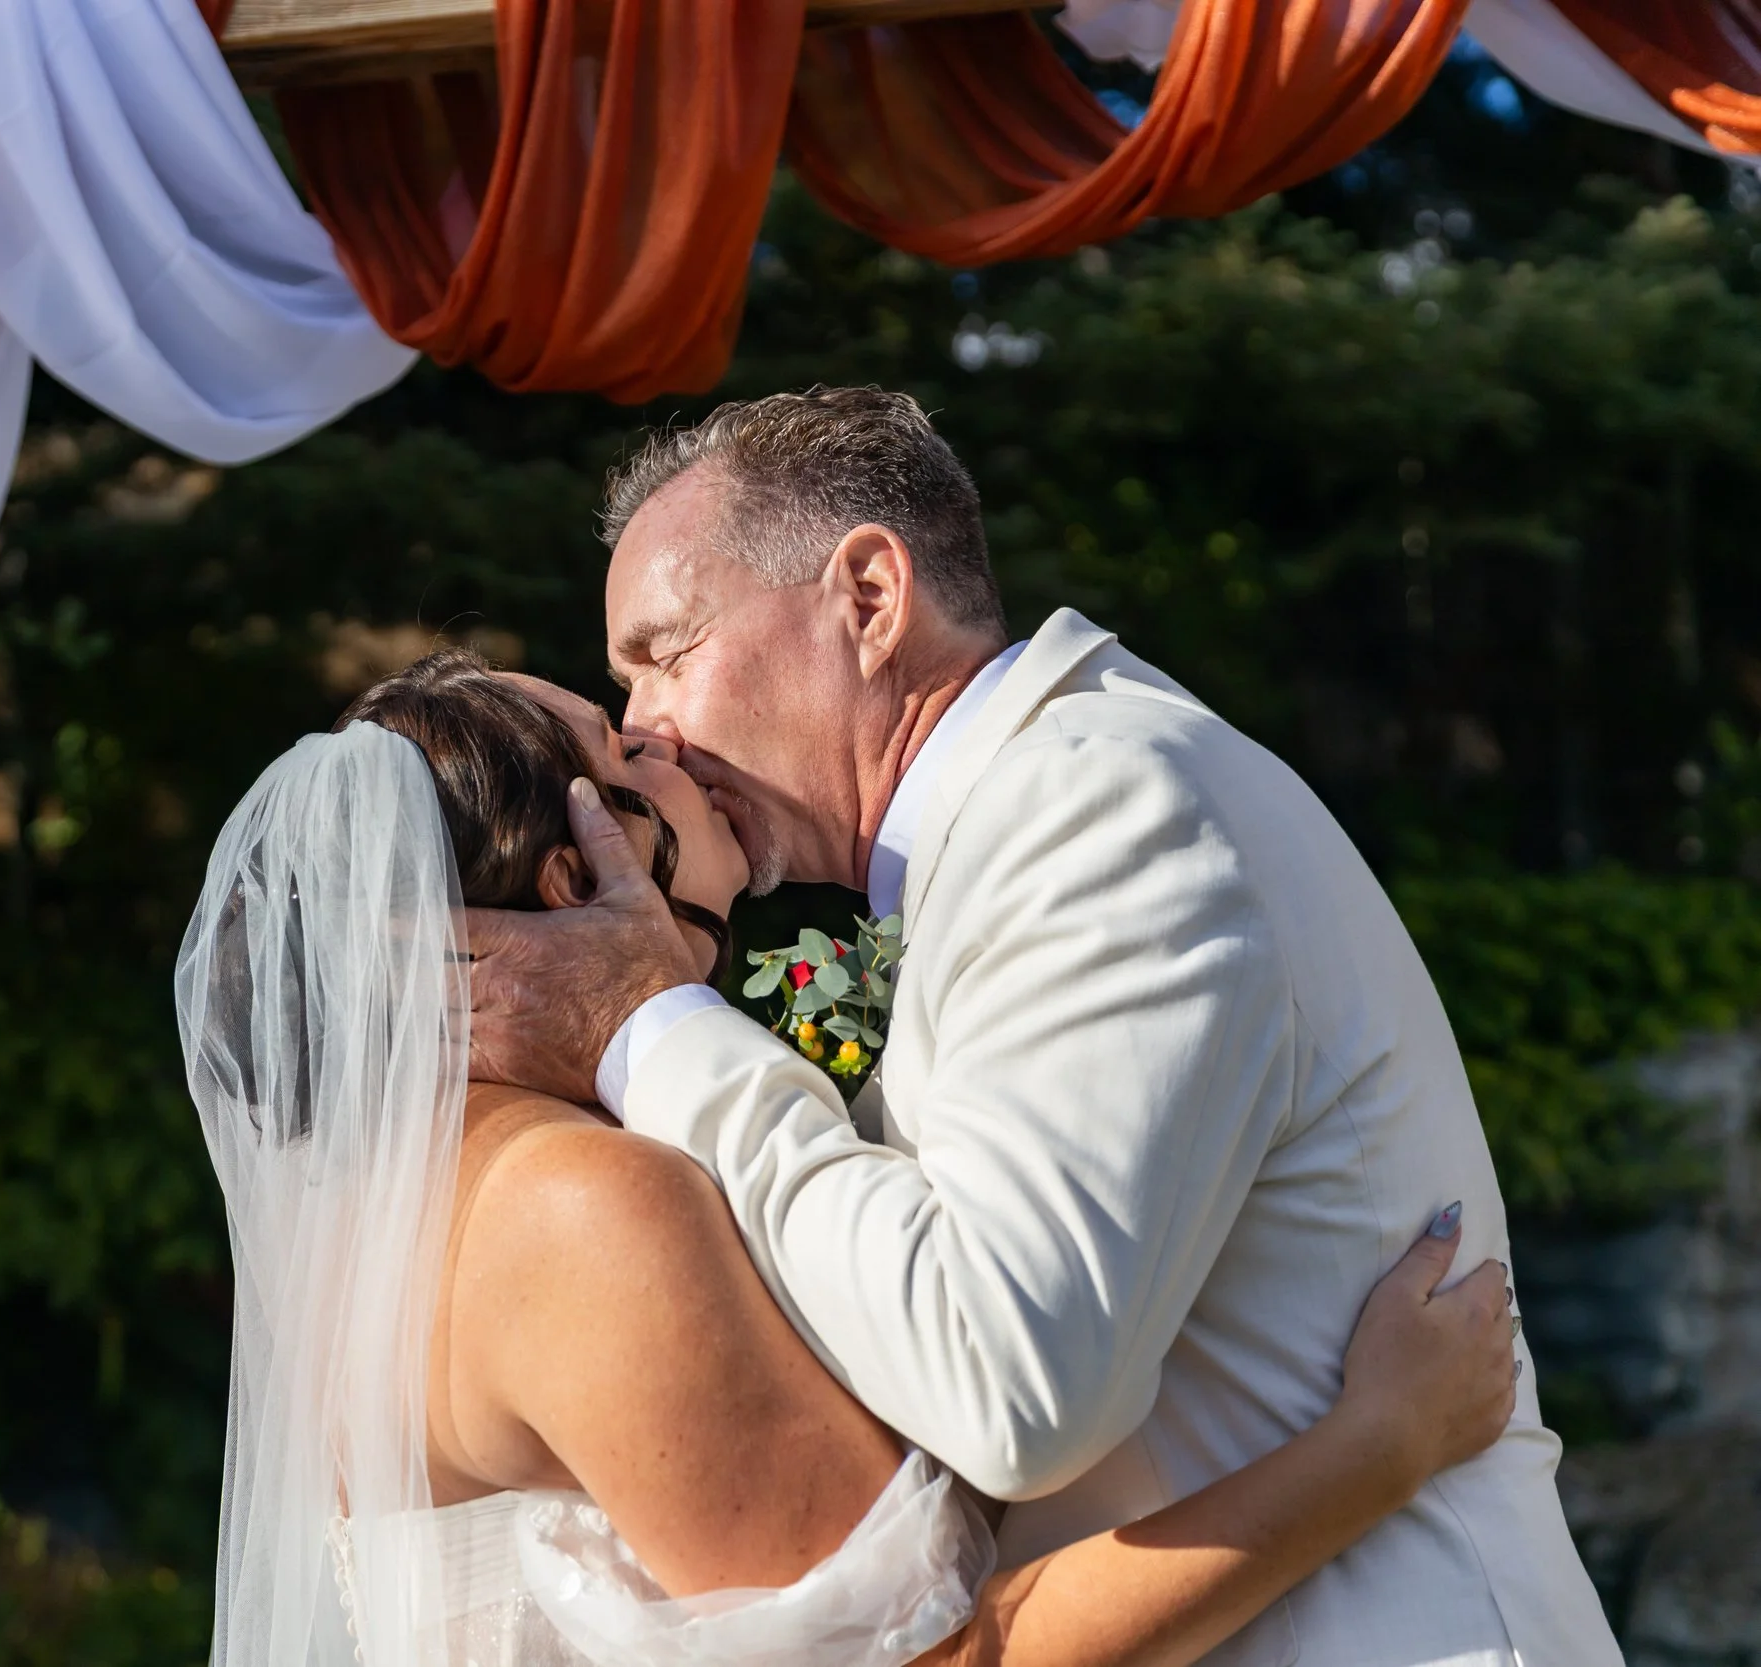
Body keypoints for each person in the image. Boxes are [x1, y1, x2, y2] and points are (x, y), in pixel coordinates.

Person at [463, 388, 1620, 1665]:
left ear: (868, 597)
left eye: (668, 650)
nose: (643, 729)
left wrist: (651, 1027)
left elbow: (1011, 1384)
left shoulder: (1104, 805)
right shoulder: (1000, 835)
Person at [177, 649, 1520, 1667]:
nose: (660, 734)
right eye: (618, 751)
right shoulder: (575, 1211)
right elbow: (940, 1659)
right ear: (571, 878)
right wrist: (1379, 1445)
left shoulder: (367, 1227)